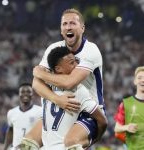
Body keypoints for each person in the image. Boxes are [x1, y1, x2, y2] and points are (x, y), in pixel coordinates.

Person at [23, 8, 106, 149]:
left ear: (82, 28)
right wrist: (57, 99)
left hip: (87, 110)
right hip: (61, 106)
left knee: (71, 143)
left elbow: (69, 82)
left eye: (73, 23)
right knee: (27, 144)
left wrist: (40, 72)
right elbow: (36, 84)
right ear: (61, 30)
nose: (68, 27)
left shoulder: (91, 50)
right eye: (65, 24)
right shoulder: (54, 48)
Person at [40, 46, 107, 150]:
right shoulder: (78, 90)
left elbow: (36, 83)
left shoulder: (44, 88)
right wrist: (93, 140)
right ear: (58, 69)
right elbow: (102, 121)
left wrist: (38, 72)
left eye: (76, 61)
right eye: (72, 63)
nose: (77, 65)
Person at [4, 83, 42, 150]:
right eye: (22, 92)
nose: (25, 94)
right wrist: (5, 147)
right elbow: (10, 130)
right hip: (16, 148)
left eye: (28, 92)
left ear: (32, 94)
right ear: (19, 94)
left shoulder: (40, 111)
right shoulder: (11, 113)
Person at [114, 66, 144, 150]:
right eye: (140, 77)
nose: (143, 80)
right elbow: (117, 129)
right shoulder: (125, 103)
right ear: (135, 81)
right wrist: (126, 127)